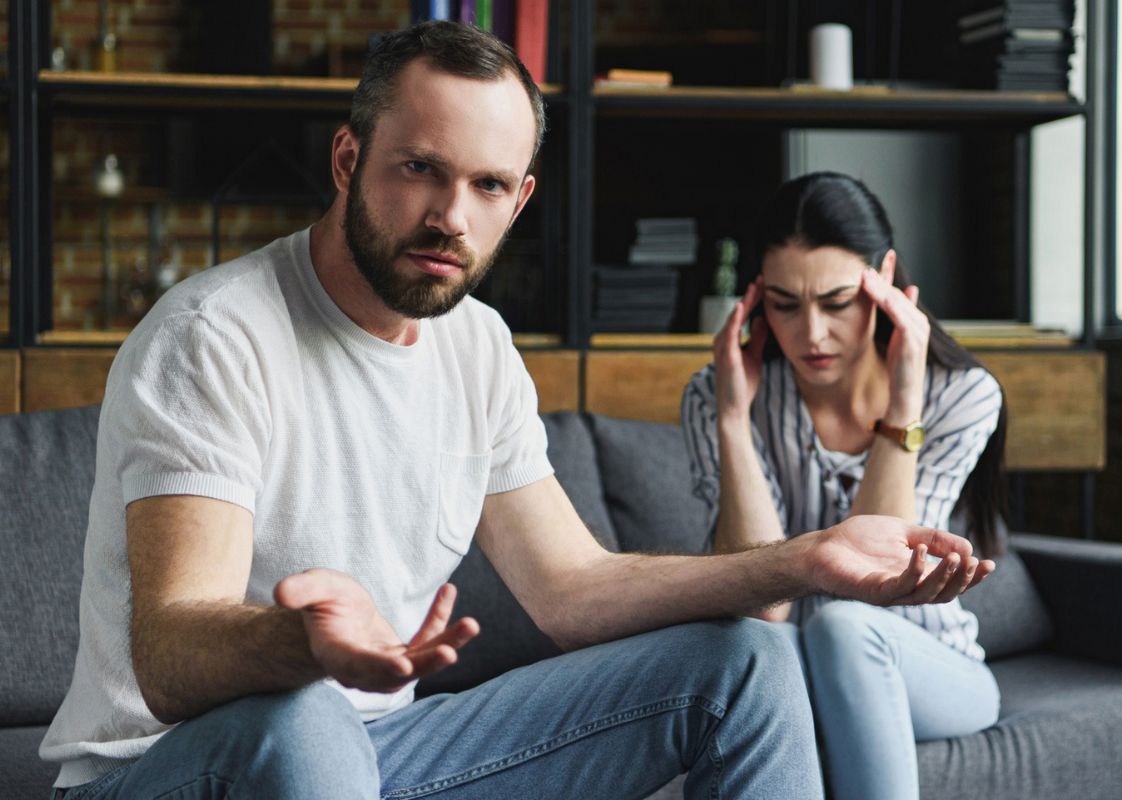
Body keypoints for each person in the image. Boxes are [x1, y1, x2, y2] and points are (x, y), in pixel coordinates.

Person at [39, 23, 993, 800]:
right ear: (347, 158)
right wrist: (300, 644)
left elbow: (572, 592)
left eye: (487, 184)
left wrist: (800, 560)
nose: (451, 215)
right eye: (420, 168)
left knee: (747, 660)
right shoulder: (218, 333)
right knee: (306, 712)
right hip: (170, 770)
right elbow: (166, 655)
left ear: (520, 197)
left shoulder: (479, 346)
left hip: (387, 757)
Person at [681, 172, 1008, 800]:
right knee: (759, 651)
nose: (812, 334)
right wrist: (732, 418)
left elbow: (880, 579)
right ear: (754, 300)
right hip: (789, 666)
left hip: (930, 668)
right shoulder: (716, 396)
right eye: (784, 304)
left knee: (843, 628)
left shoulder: (961, 396)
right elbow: (761, 607)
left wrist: (905, 400)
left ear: (883, 278)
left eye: (837, 302)